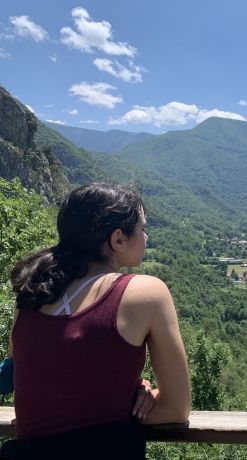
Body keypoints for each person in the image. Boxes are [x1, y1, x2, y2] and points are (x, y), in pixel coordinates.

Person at [2, 182, 191, 459]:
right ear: (118, 239)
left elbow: (36, 387)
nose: (147, 237)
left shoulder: (31, 296)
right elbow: (176, 408)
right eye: (142, 229)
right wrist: (132, 401)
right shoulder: (145, 293)